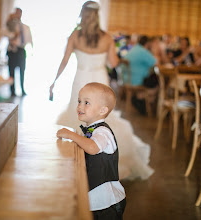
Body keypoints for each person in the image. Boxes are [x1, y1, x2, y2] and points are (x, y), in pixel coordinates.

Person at [50, 1, 154, 180]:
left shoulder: (75, 35)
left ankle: (77, 159)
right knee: (101, 117)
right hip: (100, 78)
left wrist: (53, 82)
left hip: (81, 80)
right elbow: (113, 63)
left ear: (83, 14)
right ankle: (100, 153)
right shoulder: (107, 38)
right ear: (97, 16)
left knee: (79, 114)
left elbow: (64, 61)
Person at [57, 82, 126, 220]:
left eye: (86, 103)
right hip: (95, 201)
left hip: (107, 203)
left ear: (102, 110)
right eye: (79, 101)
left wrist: (72, 135)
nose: (80, 106)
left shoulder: (103, 132)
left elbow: (93, 148)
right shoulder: (92, 129)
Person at [4, 8, 33, 96]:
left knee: (22, 70)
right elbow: (5, 33)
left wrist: (32, 49)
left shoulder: (25, 27)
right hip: (12, 51)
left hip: (21, 50)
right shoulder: (10, 25)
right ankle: (12, 91)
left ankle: (22, 89)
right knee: (11, 71)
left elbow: (30, 39)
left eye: (19, 13)